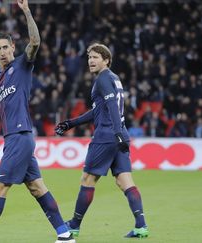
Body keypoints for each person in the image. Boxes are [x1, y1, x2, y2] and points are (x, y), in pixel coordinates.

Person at [0, 1, 75, 243]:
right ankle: (64, 234)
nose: (2, 52)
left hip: (19, 137)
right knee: (37, 188)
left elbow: (35, 43)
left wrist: (27, 11)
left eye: (5, 47)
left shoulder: (22, 65)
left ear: (12, 47)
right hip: (16, 139)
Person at [55, 43, 149, 238]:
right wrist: (72, 123)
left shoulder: (103, 79)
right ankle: (141, 225)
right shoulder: (114, 78)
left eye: (96, 57)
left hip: (107, 136)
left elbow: (113, 106)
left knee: (88, 179)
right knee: (125, 181)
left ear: (106, 60)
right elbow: (100, 110)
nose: (91, 60)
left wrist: (116, 132)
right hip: (118, 134)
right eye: (89, 57)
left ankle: (74, 225)